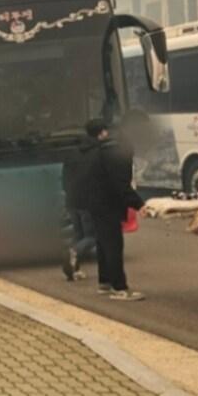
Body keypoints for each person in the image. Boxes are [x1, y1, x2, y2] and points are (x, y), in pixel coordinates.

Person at [84, 121, 145, 301]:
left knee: (103, 243)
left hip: (95, 203)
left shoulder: (98, 152)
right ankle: (120, 287)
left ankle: (105, 282)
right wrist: (140, 205)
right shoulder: (115, 157)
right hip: (106, 205)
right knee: (113, 245)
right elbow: (121, 186)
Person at [61, 119, 104, 281]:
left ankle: (74, 269)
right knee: (92, 236)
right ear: (100, 133)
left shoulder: (72, 152)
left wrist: (68, 193)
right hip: (88, 201)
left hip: (72, 199)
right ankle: (73, 252)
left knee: (79, 234)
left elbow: (65, 177)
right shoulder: (98, 153)